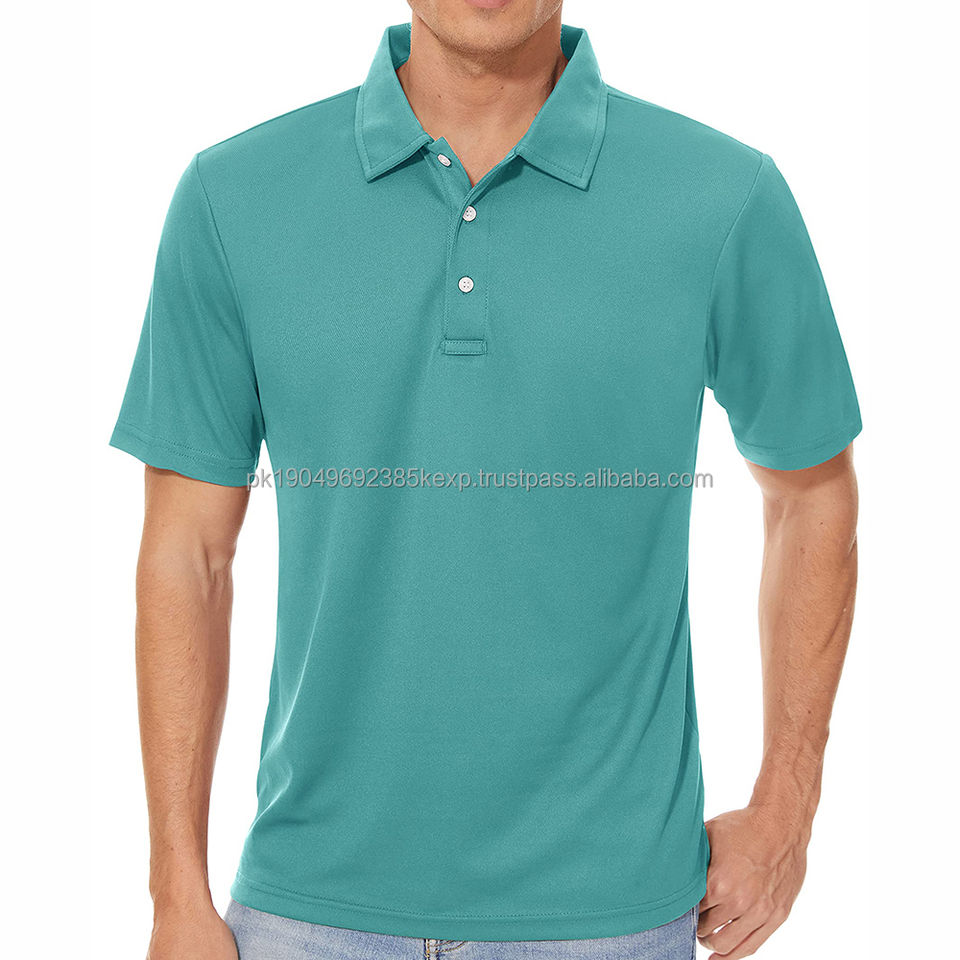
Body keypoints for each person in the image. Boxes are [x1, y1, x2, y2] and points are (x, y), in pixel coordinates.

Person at [110, 2, 861, 958]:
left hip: (610, 919)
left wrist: (787, 807)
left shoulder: (722, 196)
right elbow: (188, 553)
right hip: (307, 912)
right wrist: (175, 891)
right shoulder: (236, 197)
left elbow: (812, 495)